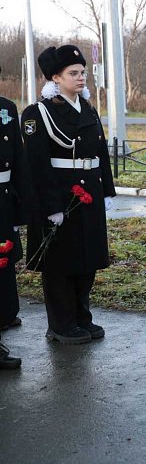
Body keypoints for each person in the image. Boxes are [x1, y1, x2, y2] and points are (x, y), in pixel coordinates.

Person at [21, 45, 116, 345]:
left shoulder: (87, 108)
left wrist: (106, 190)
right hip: (60, 195)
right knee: (60, 262)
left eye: (82, 72)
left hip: (89, 192)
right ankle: (61, 324)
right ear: (55, 78)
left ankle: (81, 317)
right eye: (73, 73)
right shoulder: (38, 113)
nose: (81, 77)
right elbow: (37, 164)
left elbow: (100, 152)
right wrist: (51, 206)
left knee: (87, 258)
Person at [0, 92, 30, 369]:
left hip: (3, 199)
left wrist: (21, 209)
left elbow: (18, 159)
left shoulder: (6, 108)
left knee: (3, 264)